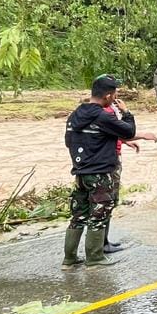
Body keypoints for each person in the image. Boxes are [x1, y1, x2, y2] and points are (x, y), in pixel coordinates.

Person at [62, 74, 139, 270]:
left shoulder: (75, 115)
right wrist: (127, 112)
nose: (115, 98)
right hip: (100, 173)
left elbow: (68, 142)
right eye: (114, 95)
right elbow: (128, 131)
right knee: (99, 214)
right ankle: (95, 258)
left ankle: (69, 259)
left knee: (78, 215)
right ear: (107, 96)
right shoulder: (102, 116)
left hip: (80, 173)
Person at [100, 100, 157, 254]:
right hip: (109, 160)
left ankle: (103, 242)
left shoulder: (100, 110)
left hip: (111, 156)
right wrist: (140, 135)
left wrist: (124, 142)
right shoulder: (104, 111)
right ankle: (102, 245)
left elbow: (111, 132)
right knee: (106, 202)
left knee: (108, 202)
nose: (116, 95)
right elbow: (124, 130)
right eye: (114, 91)